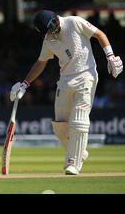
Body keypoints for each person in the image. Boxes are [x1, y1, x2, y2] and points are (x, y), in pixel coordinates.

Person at [10, 10, 123, 175]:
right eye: (45, 33)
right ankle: (79, 152)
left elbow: (99, 34)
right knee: (60, 128)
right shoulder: (49, 39)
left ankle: (73, 163)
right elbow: (41, 62)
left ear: (55, 20)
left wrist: (111, 56)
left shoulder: (74, 22)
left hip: (86, 75)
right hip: (64, 81)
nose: (48, 34)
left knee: (79, 119)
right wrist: (25, 84)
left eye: (49, 29)